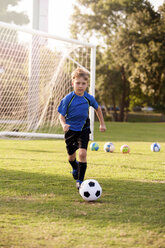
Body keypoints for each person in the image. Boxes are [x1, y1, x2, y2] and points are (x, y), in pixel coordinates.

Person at [58, 67, 106, 189]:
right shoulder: (68, 99)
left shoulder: (88, 98)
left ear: (87, 84)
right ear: (72, 83)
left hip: (84, 128)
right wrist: (64, 125)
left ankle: (80, 181)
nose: (80, 86)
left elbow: (98, 109)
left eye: (83, 83)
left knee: (83, 154)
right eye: (78, 83)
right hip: (70, 130)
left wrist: (102, 124)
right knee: (71, 157)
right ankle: (75, 167)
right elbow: (61, 116)